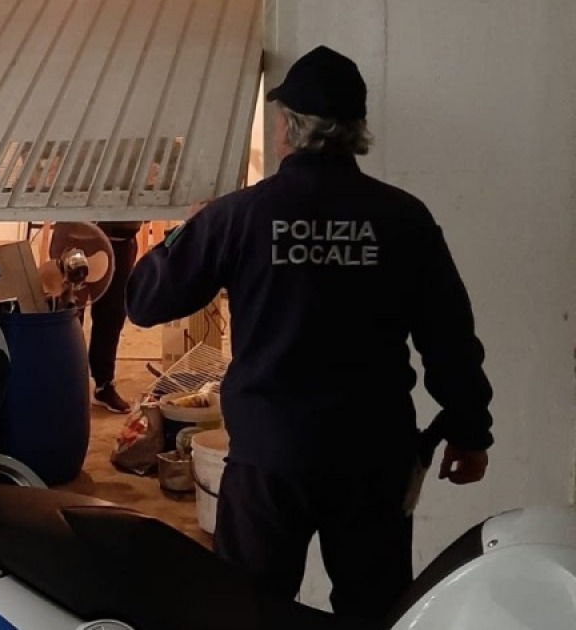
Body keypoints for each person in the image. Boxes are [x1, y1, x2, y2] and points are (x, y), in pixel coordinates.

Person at [125, 45, 493, 620]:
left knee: (248, 613)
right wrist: (470, 432)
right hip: (373, 460)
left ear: (288, 128)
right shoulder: (403, 218)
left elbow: (144, 301)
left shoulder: (239, 216)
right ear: (356, 130)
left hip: (268, 462)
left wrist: (190, 229)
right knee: (374, 613)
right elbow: (449, 337)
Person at [82, 221, 143, 413]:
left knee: (113, 313)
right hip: (78, 234)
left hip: (121, 238)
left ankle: (103, 383)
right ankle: (68, 382)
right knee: (70, 313)